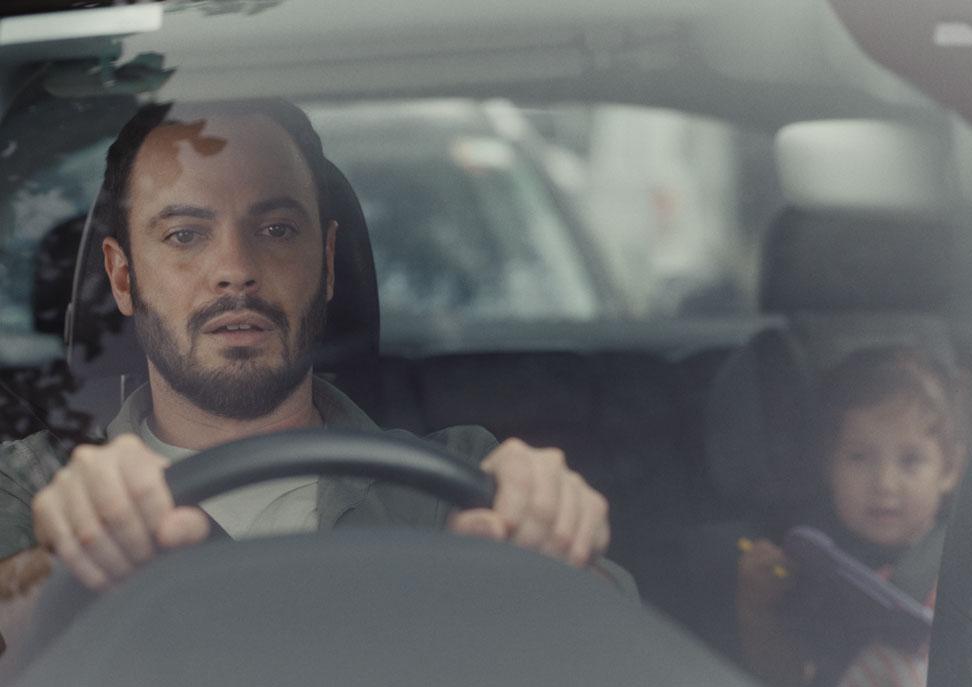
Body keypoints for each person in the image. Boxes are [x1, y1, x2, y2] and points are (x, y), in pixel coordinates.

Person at [0, 99, 623, 652]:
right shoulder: (32, 489)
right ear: (123, 277)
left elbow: (615, 652)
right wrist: (61, 568)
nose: (235, 268)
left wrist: (553, 546)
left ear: (326, 262)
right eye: (186, 234)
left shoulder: (458, 485)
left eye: (276, 229)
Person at [736, 346, 971, 687]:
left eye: (910, 460)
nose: (884, 484)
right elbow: (785, 678)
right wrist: (757, 610)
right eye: (859, 457)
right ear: (829, 464)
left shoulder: (971, 566)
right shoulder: (809, 565)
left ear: (950, 469)